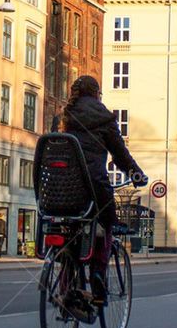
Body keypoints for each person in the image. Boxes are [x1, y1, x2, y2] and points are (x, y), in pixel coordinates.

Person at [51, 75, 146, 304]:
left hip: (59, 189)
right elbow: (120, 155)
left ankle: (65, 284)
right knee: (105, 226)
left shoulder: (62, 117)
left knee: (69, 230)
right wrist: (137, 176)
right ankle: (97, 280)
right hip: (94, 189)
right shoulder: (104, 117)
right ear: (96, 94)